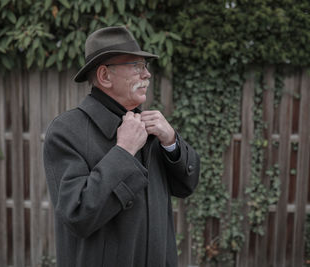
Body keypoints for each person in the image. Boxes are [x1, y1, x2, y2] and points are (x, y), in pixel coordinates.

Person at [43, 26, 200, 267]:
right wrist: (123, 152)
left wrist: (171, 142)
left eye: (145, 67)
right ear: (105, 76)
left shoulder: (150, 128)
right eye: (136, 66)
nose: (146, 74)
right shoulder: (66, 131)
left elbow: (186, 186)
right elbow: (77, 215)